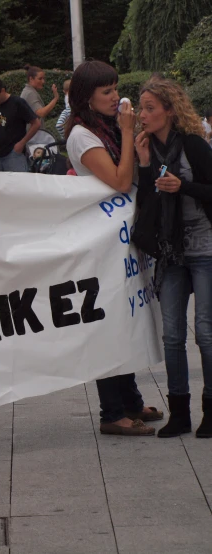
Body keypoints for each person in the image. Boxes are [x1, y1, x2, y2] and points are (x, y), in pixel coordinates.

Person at [65, 60, 165, 436]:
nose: (115, 97)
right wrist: (126, 134)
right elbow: (120, 182)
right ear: (86, 97)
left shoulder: (101, 127)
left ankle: (132, 400)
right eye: (106, 92)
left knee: (124, 319)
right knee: (108, 323)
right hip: (100, 243)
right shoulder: (81, 135)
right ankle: (112, 411)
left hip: (118, 239)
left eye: (115, 88)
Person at [134, 76, 212, 438]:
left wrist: (184, 186)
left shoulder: (194, 145)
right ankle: (179, 412)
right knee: (172, 336)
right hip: (170, 252)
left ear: (169, 110)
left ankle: (211, 410)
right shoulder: (146, 147)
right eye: (141, 108)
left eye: (150, 108)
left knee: (206, 333)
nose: (143, 114)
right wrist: (146, 164)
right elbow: (147, 204)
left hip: (205, 246)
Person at [0, 77, 40, 172]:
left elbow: (36, 123)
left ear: (2, 90)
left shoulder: (18, 103)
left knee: (17, 184)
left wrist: (22, 143)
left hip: (13, 153)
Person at [20, 65, 60, 154]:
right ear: (31, 79)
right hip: (32, 139)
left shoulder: (30, 91)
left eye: (43, 78)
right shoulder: (29, 93)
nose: (43, 81)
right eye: (40, 79)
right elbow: (41, 113)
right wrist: (55, 98)